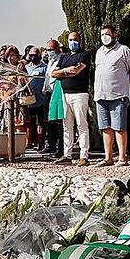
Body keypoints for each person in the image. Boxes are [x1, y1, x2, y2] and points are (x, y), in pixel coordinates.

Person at [93, 24, 130, 166]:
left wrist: (124, 85)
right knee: (105, 127)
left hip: (118, 95)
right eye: (102, 35)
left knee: (119, 127)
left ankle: (122, 158)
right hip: (101, 95)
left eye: (107, 34)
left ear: (114, 35)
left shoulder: (123, 50)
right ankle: (108, 158)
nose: (104, 37)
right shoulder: (99, 52)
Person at [52, 31, 90, 165]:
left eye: (75, 39)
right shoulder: (64, 57)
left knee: (82, 125)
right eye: (70, 40)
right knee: (67, 126)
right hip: (65, 93)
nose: (72, 42)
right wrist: (65, 71)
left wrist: (63, 72)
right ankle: (67, 155)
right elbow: (54, 73)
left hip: (79, 94)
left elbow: (77, 71)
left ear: (79, 40)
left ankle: (83, 156)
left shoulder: (84, 54)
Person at [23, 46, 49, 150]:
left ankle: (40, 142)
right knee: (30, 122)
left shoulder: (44, 67)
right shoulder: (26, 67)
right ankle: (29, 142)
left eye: (35, 55)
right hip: (29, 99)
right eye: (31, 55)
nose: (33, 57)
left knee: (41, 122)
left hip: (41, 99)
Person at [42, 38, 64, 155]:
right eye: (47, 49)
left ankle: (61, 147)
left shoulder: (62, 58)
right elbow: (48, 76)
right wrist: (44, 87)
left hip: (58, 93)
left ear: (57, 48)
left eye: (51, 49)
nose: (49, 51)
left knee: (59, 121)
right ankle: (50, 144)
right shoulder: (50, 60)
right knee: (49, 121)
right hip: (48, 92)